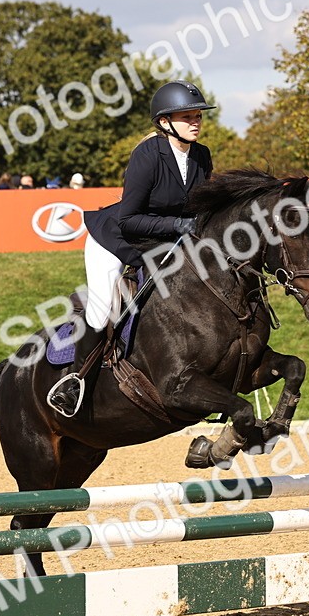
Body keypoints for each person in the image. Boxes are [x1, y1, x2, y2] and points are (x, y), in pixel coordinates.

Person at [47, 79, 214, 417]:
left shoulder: (201, 156)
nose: (195, 121)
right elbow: (129, 219)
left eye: (198, 115)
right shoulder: (148, 155)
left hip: (160, 243)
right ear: (165, 122)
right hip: (115, 240)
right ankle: (75, 381)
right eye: (187, 116)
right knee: (101, 309)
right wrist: (178, 225)